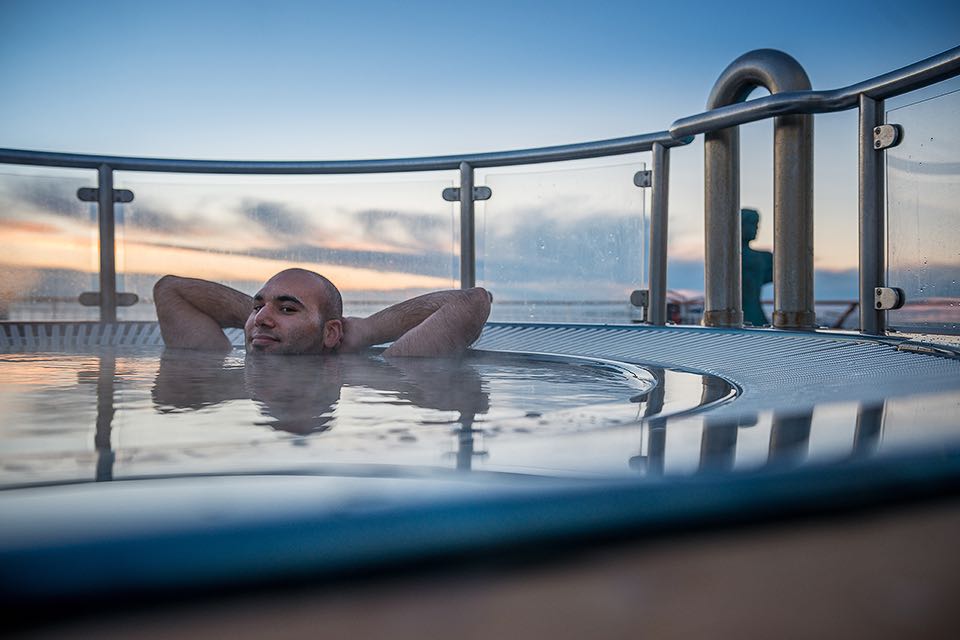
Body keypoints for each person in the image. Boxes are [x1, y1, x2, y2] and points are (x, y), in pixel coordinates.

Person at [153, 268, 492, 357]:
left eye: (288, 308)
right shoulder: (220, 367)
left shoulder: (363, 375)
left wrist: (368, 330)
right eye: (258, 306)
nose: (260, 317)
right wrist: (265, 317)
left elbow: (472, 302)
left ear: (331, 333)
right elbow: (170, 289)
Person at [741, 208, 773, 326]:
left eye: (757, 224)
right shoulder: (762, 258)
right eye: (752, 224)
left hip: (754, 313)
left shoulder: (763, 257)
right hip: (753, 315)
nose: (756, 228)